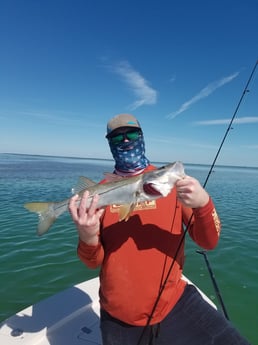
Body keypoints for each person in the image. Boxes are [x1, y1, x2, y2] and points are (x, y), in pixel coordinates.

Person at [69, 114, 250, 345]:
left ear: (142, 137)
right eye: (117, 137)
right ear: (109, 144)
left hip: (175, 302)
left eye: (132, 134)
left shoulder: (173, 185)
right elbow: (92, 262)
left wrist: (203, 202)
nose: (126, 141)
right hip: (119, 315)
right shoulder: (100, 194)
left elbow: (209, 242)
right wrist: (87, 235)